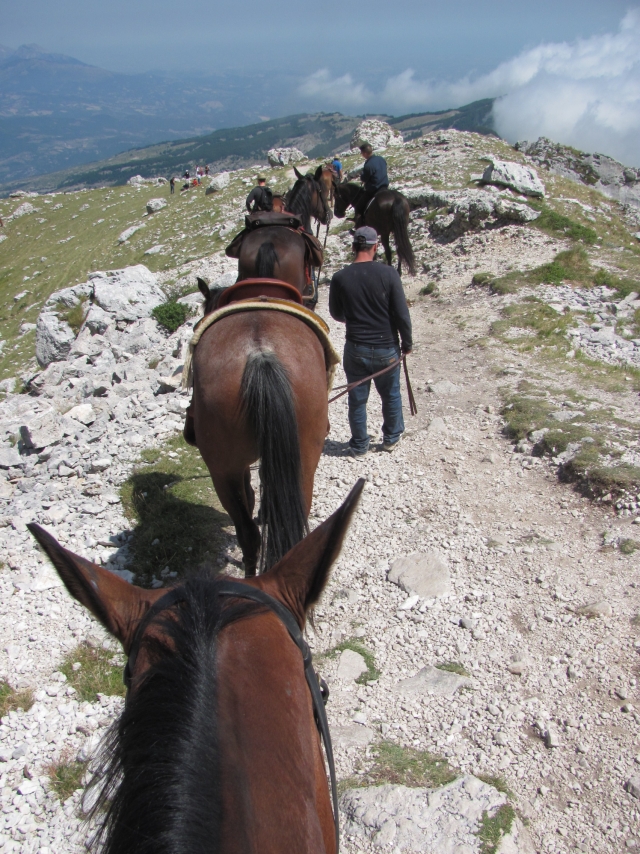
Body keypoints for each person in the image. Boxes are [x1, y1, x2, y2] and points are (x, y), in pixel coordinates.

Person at [329, 225, 412, 456]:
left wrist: (354, 318)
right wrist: (407, 343)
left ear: (354, 246)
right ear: (375, 246)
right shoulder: (389, 274)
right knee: (391, 394)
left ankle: (359, 444)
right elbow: (401, 314)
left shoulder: (339, 277)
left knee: (357, 398)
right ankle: (391, 438)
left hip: (356, 347)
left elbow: (336, 313)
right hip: (387, 347)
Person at [354, 143, 389, 227]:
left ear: (365, 153)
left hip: (374, 190)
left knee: (358, 206)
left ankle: (358, 226)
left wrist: (362, 177)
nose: (362, 155)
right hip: (385, 187)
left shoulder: (368, 165)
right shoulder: (381, 159)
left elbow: (364, 178)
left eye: (362, 153)